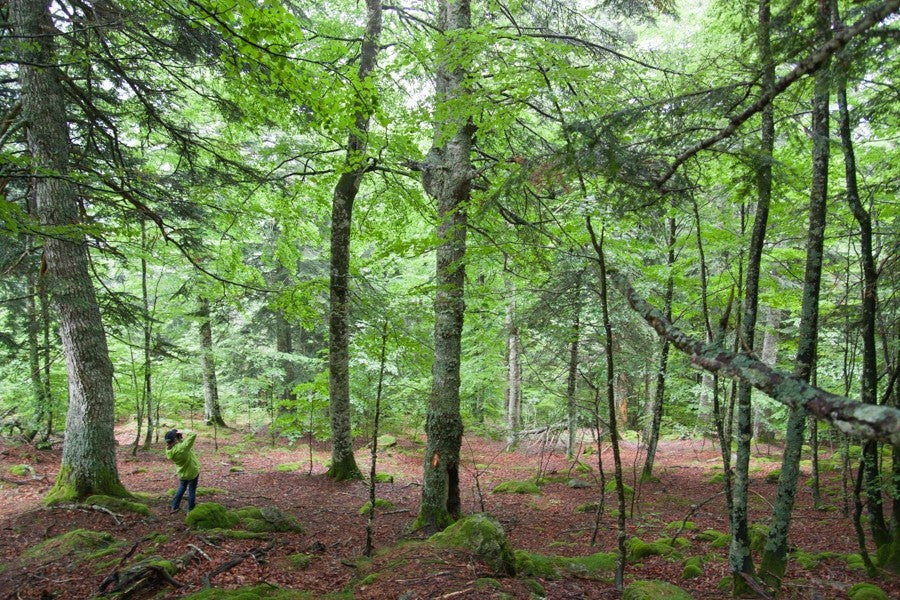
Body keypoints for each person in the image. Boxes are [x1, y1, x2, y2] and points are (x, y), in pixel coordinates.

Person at [165, 429, 200, 513]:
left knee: (181, 488)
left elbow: (178, 444)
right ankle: (191, 510)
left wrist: (178, 438)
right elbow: (193, 434)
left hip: (182, 473)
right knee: (191, 490)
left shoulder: (168, 450)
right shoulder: (183, 447)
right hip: (192, 472)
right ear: (175, 439)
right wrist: (183, 430)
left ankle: (174, 506)